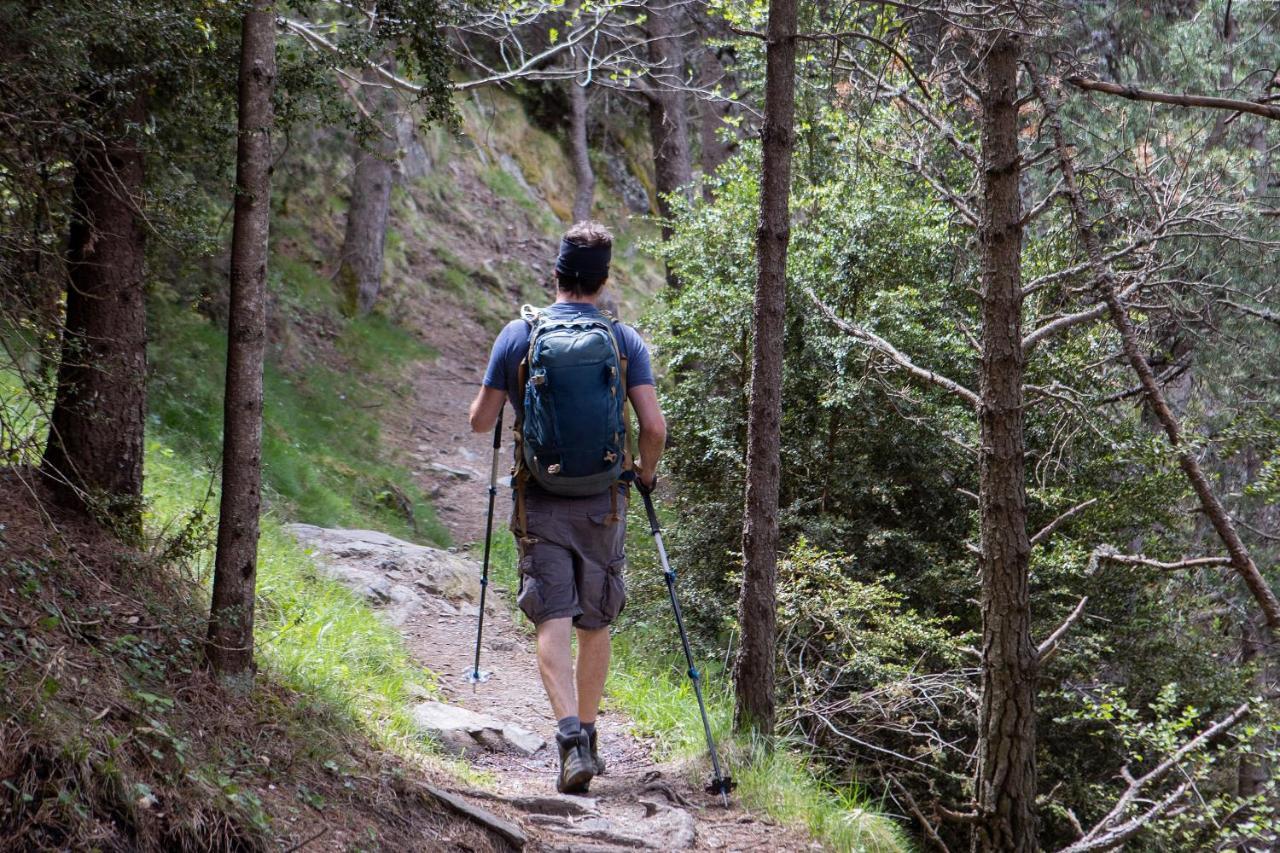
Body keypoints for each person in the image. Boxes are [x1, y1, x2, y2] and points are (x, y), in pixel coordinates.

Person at [468, 221, 667, 794]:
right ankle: (590, 732)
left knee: (553, 616)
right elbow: (653, 427)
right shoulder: (623, 340)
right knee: (595, 620)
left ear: (555, 275)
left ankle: (569, 744)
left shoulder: (518, 335)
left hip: (542, 501)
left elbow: (481, 421)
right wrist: (644, 475)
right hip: (605, 501)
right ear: (603, 281)